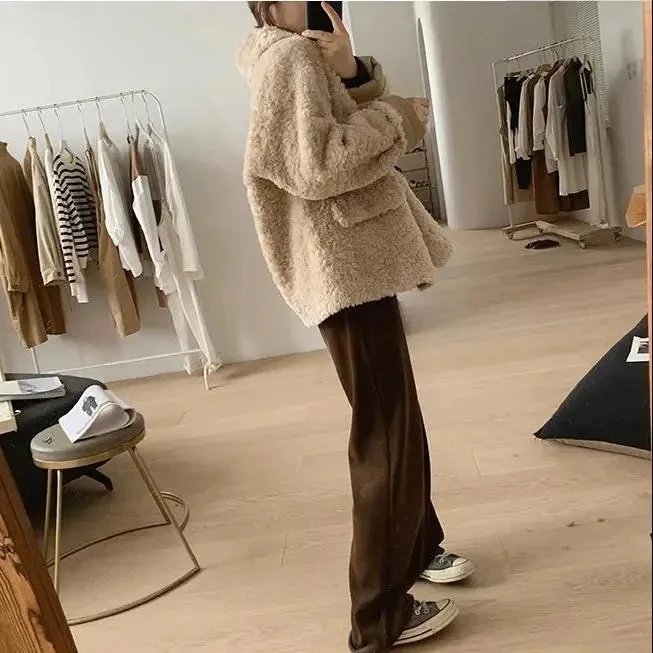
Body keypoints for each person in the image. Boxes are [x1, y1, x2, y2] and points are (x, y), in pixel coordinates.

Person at [238, 3, 474, 651]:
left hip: (354, 257)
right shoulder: (288, 58)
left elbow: (334, 124)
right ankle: (377, 617)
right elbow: (315, 164)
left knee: (396, 417)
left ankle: (418, 545)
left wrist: (350, 72)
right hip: (344, 265)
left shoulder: (297, 53)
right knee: (384, 432)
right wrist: (396, 116)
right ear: (266, 4)